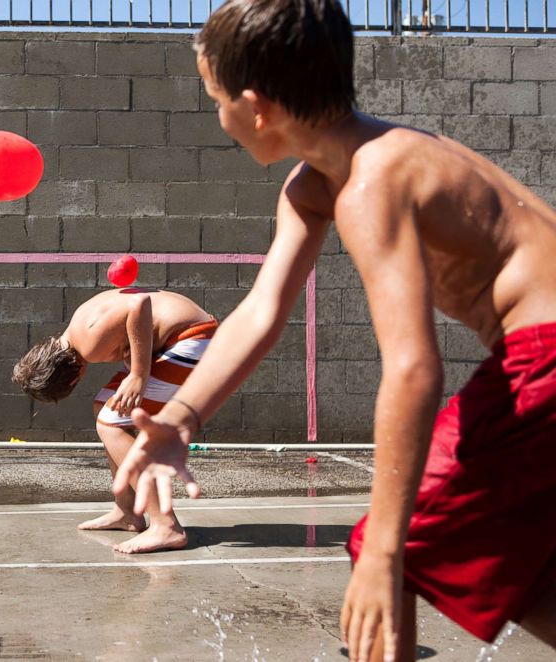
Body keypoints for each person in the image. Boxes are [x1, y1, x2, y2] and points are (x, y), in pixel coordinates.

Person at [111, 0, 556, 660]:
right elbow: (261, 312)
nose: (219, 118)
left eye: (216, 100)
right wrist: (178, 418)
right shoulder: (320, 183)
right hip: (534, 360)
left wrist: (383, 553)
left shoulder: (373, 181)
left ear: (256, 107)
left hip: (543, 357)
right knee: (491, 551)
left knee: (394, 544)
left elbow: (412, 368)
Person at [12, 287, 218, 554]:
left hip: (193, 339)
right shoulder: (77, 325)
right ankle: (128, 512)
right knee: (103, 408)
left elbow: (138, 303)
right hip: (185, 335)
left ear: (74, 377)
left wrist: (139, 374)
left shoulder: (88, 343)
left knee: (110, 423)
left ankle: (166, 526)